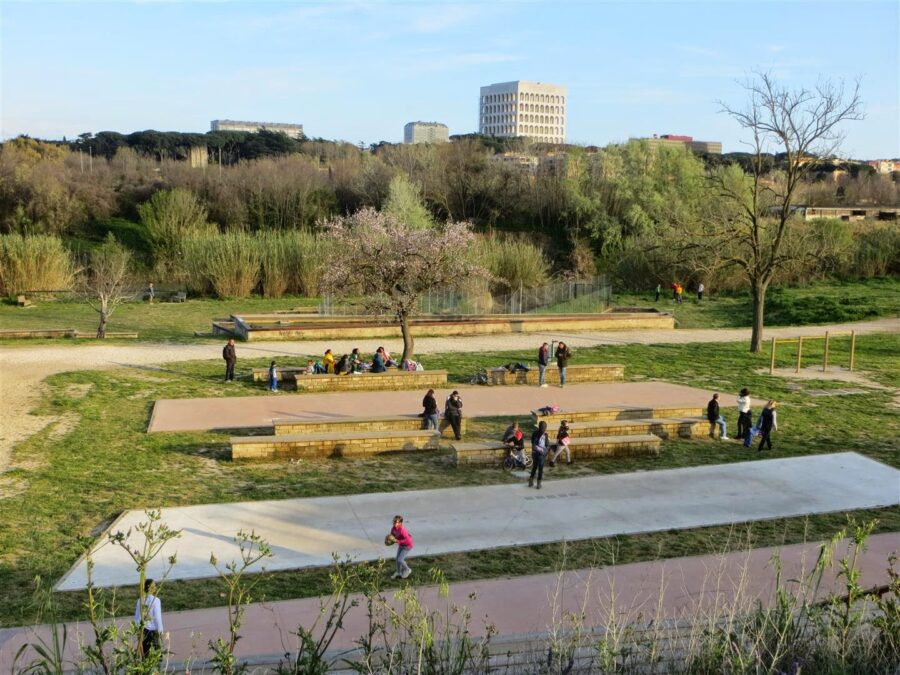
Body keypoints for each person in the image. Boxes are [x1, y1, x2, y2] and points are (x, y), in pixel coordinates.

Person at [134, 578, 164, 659]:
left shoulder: (140, 600)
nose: (156, 587)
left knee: (145, 654)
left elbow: (137, 617)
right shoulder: (156, 600)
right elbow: (157, 617)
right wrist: (160, 630)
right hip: (153, 631)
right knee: (157, 654)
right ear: (150, 588)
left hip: (143, 630)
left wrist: (137, 630)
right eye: (154, 586)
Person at [390, 515, 414, 579]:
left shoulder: (402, 530)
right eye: (394, 522)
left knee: (400, 560)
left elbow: (407, 540)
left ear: (400, 523)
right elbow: (392, 535)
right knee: (397, 559)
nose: (395, 523)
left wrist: (397, 541)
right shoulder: (393, 528)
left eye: (397, 522)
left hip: (407, 546)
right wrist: (390, 539)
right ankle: (398, 572)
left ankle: (407, 569)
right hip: (401, 545)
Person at [528, 421, 549, 489]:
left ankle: (530, 481)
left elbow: (532, 441)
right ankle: (538, 484)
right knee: (540, 469)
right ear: (545, 427)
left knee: (534, 467)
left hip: (534, 452)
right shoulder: (545, 435)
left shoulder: (534, 433)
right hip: (541, 454)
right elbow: (546, 444)